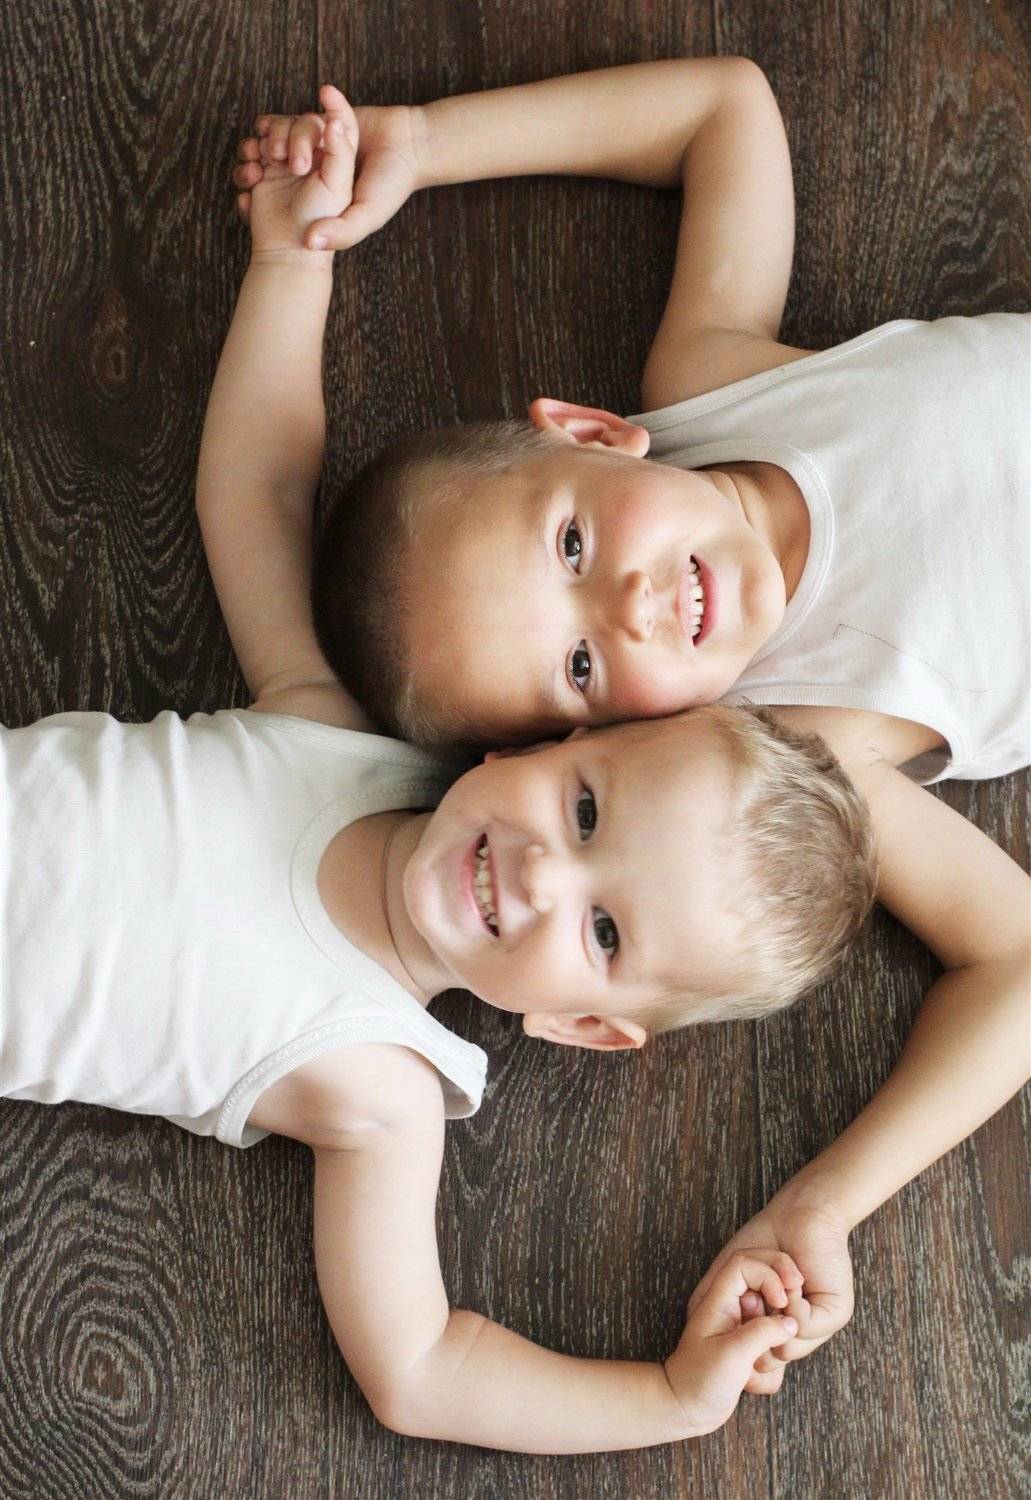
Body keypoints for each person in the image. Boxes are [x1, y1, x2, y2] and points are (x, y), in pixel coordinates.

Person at [0, 97, 882, 1456]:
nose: (538, 874)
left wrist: (670, 1396)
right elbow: (257, 494)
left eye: (603, 932)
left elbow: (420, 1367)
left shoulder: (381, 1088)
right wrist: (291, 261)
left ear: (584, 1025)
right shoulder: (343, 742)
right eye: (582, 812)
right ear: (541, 747)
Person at [233, 68, 1031, 1393]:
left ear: (598, 436)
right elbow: (1016, 961)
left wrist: (420, 151)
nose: (635, 604)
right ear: (605, 737)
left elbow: (727, 111)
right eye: (584, 665)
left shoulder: (713, 382)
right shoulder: (792, 752)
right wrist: (825, 1205)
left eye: (572, 543)